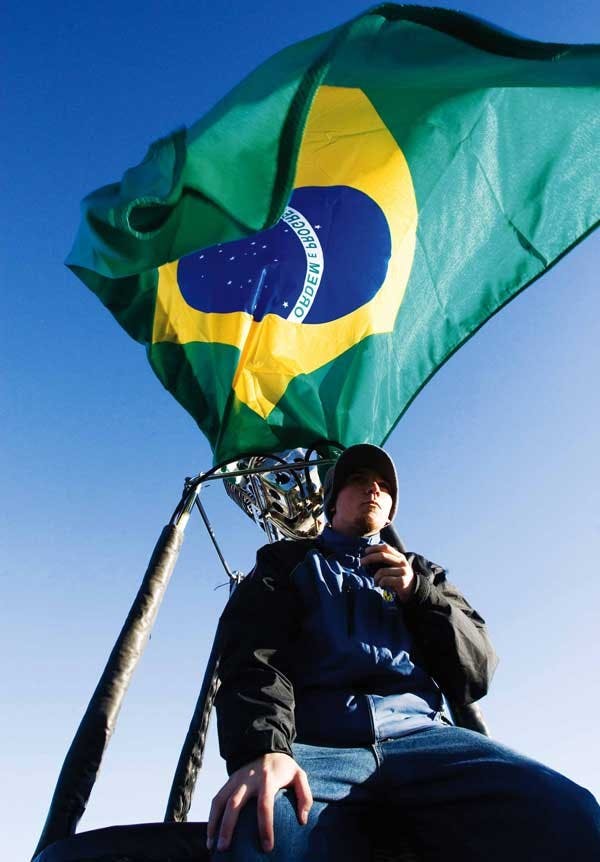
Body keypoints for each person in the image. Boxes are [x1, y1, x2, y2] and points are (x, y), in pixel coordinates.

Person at [207, 444, 600, 860]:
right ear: (331, 500)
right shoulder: (285, 564)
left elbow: (476, 670)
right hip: (320, 746)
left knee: (571, 815)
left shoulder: (426, 575)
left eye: (383, 486)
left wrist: (419, 594)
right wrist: (264, 748)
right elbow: (253, 657)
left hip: (425, 740)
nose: (373, 489)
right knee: (258, 829)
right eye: (359, 480)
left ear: (391, 509)